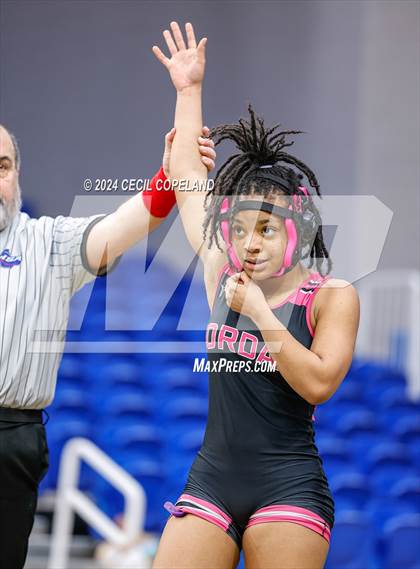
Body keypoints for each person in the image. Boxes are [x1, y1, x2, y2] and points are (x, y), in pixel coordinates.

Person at [152, 22, 360, 569]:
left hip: (288, 483)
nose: (249, 243)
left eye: (266, 229)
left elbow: (319, 384)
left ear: (298, 230)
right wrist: (188, 91)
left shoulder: (330, 297)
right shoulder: (221, 271)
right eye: (240, 228)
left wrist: (262, 314)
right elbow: (187, 179)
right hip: (212, 476)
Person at [0, 123, 216, 569]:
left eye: (2, 167)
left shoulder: (49, 242)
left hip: (11, 436)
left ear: (18, 174)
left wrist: (173, 172)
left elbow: (136, 218)